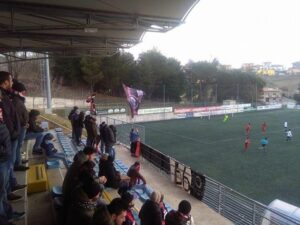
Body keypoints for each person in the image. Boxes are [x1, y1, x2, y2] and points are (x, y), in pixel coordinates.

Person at [0, 72, 26, 203]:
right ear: (4, 82)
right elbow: (7, 118)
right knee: (8, 166)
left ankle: (10, 188)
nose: (12, 82)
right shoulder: (3, 97)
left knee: (9, 165)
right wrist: (14, 131)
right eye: (10, 80)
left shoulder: (6, 95)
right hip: (7, 139)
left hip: (8, 137)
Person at [11, 81, 29, 171]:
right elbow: (17, 116)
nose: (24, 93)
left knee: (19, 145)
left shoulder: (19, 100)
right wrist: (24, 123)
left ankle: (19, 161)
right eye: (23, 92)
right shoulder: (16, 101)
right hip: (21, 127)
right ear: (17, 91)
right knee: (18, 145)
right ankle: (17, 164)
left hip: (23, 126)